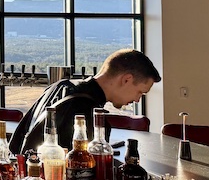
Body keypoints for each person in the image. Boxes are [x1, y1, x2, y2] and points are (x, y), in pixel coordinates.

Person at [9, 49, 161, 155]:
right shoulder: (88, 115)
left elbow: (15, 144)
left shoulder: (59, 86)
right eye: (140, 92)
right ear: (126, 79)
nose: (137, 99)